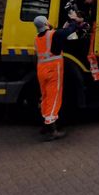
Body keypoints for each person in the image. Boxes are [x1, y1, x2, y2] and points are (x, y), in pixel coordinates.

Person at [33, 11, 82, 141]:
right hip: (53, 70)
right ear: (45, 23)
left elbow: (58, 34)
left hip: (41, 70)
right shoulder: (53, 35)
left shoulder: (37, 38)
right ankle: (52, 130)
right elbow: (69, 31)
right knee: (54, 98)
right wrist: (73, 20)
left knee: (45, 97)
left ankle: (45, 124)